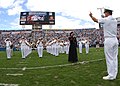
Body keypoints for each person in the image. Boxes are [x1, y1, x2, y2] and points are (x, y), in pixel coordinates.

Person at [89, 8, 118, 80]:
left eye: (105, 13)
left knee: (109, 58)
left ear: (107, 13)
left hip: (109, 40)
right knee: (114, 58)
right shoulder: (115, 20)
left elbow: (96, 20)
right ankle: (114, 74)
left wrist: (91, 16)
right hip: (115, 39)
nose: (104, 14)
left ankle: (111, 75)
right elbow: (106, 21)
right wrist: (103, 17)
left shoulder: (106, 20)